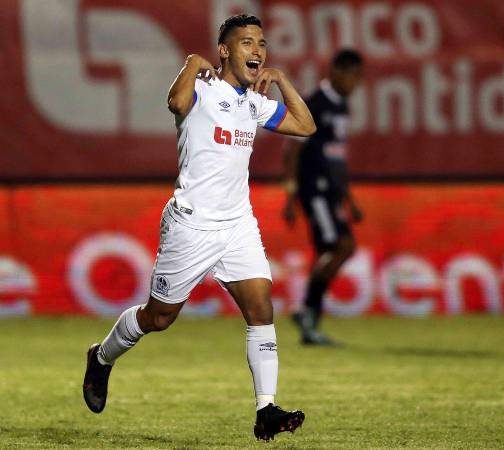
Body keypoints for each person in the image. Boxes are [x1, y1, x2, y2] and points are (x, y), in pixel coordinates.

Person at [82, 14, 316, 442]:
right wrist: (191, 62)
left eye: (262, 43)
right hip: (191, 224)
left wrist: (281, 80)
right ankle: (101, 357)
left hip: (238, 223)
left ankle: (266, 410)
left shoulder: (254, 102)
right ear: (225, 50)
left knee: (262, 309)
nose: (258, 51)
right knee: (159, 317)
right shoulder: (203, 89)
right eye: (247, 43)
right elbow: (175, 103)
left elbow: (306, 126)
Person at [282, 49, 364, 346]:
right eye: (353, 75)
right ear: (338, 72)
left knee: (330, 250)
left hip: (331, 191)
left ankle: (309, 324)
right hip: (314, 189)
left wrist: (349, 199)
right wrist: (291, 195)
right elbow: (293, 149)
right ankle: (307, 311)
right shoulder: (315, 102)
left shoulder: (342, 107)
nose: (356, 83)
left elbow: (337, 159)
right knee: (341, 246)